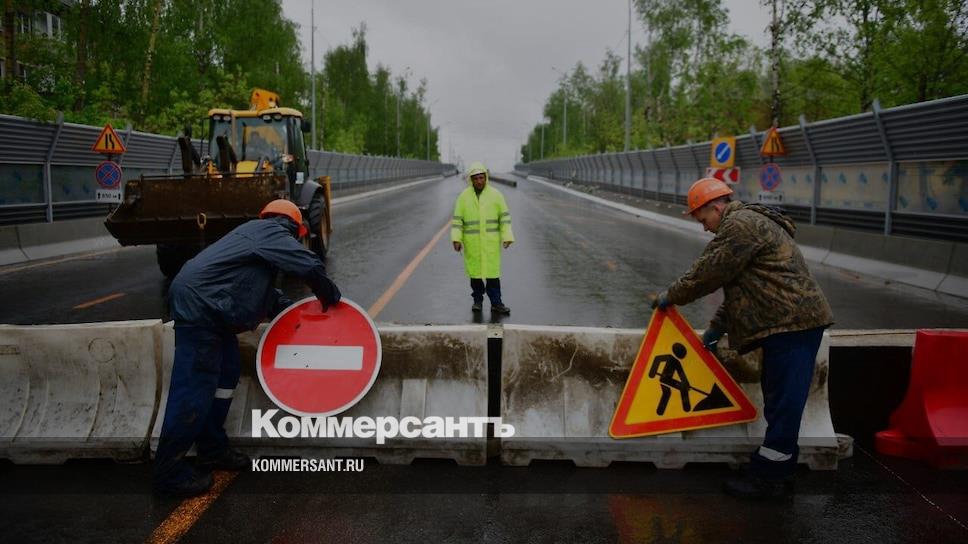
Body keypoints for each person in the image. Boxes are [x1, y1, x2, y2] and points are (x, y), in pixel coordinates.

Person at [650, 177, 833, 500]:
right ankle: (776, 469)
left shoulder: (740, 225)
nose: (705, 228)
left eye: (703, 220)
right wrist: (717, 327)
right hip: (787, 324)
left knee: (784, 406)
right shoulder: (745, 223)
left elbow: (707, 273)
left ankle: (771, 481)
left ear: (716, 208)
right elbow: (741, 290)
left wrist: (671, 295)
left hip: (793, 324)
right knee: (780, 402)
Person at [154, 199, 341, 498]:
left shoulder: (254, 238)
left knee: (226, 377)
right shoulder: (272, 231)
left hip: (211, 311)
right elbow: (308, 265)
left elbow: (257, 289)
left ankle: (212, 449)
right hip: (201, 310)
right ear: (296, 229)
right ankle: (169, 473)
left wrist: (294, 314)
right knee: (193, 390)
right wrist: (330, 296)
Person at [451, 161, 514, 314]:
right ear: (471, 180)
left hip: (491, 245)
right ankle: (477, 301)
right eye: (476, 178)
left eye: (481, 178)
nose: (479, 181)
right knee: (475, 277)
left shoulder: (496, 195)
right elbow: (458, 220)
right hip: (473, 245)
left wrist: (507, 236)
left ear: (486, 178)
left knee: (493, 276)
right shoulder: (464, 197)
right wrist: (456, 239)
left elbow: (504, 218)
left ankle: (496, 303)